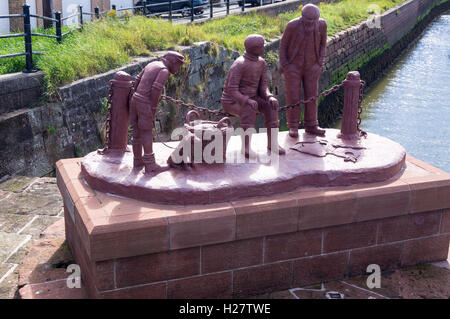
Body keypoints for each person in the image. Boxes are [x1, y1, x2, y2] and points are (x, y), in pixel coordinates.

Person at [221, 34, 285, 158]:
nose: (264, 48)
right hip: (233, 101)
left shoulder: (261, 63)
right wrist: (246, 100)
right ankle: (246, 147)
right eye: (262, 46)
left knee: (271, 106)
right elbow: (231, 90)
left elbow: (263, 86)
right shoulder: (239, 64)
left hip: (253, 98)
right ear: (255, 49)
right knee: (248, 109)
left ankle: (273, 143)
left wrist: (269, 96)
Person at [129, 51, 185, 174]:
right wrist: (153, 109)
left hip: (135, 98)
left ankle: (137, 160)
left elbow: (137, 81)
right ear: (173, 62)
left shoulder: (152, 64)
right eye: (178, 66)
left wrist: (135, 97)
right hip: (144, 102)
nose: (178, 69)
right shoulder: (164, 71)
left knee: (136, 131)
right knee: (147, 131)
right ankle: (150, 165)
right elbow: (156, 90)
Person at [279, 3, 327, 137]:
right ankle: (293, 125)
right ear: (302, 17)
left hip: (312, 66)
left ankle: (312, 125)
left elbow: (323, 44)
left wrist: (320, 63)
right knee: (292, 96)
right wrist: (286, 66)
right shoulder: (292, 25)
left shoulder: (322, 25)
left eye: (314, 20)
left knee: (312, 96)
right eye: (308, 20)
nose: (311, 23)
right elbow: (283, 46)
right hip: (293, 66)